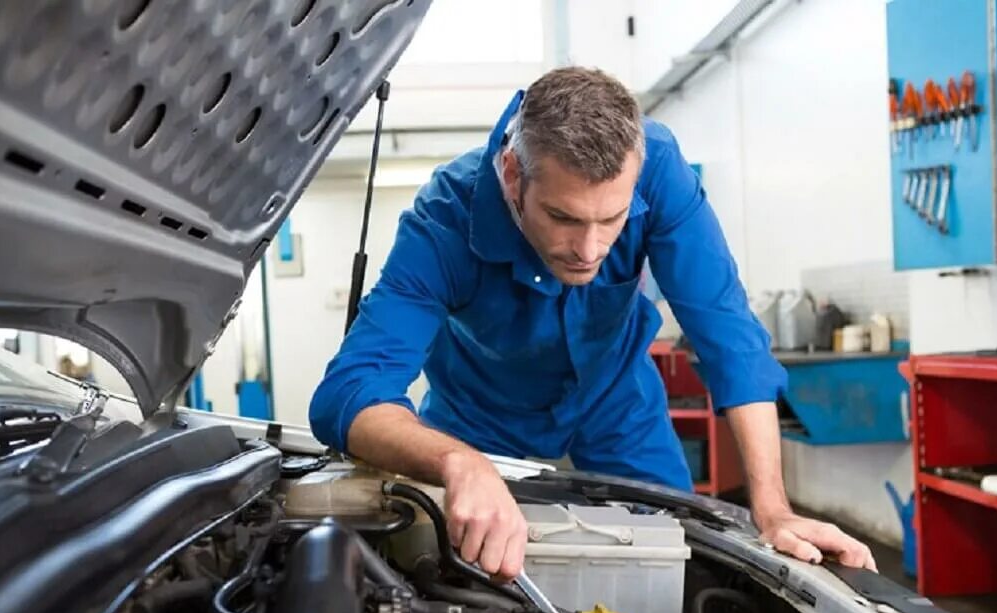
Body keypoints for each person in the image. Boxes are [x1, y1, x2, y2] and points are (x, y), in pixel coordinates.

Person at [310, 67, 876, 580]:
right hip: (478, 420)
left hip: (616, 404)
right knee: (462, 571)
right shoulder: (444, 221)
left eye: (613, 218)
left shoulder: (659, 166)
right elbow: (349, 392)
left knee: (674, 560)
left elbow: (729, 337)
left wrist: (773, 510)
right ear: (512, 175)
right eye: (562, 217)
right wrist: (455, 461)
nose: (589, 248)